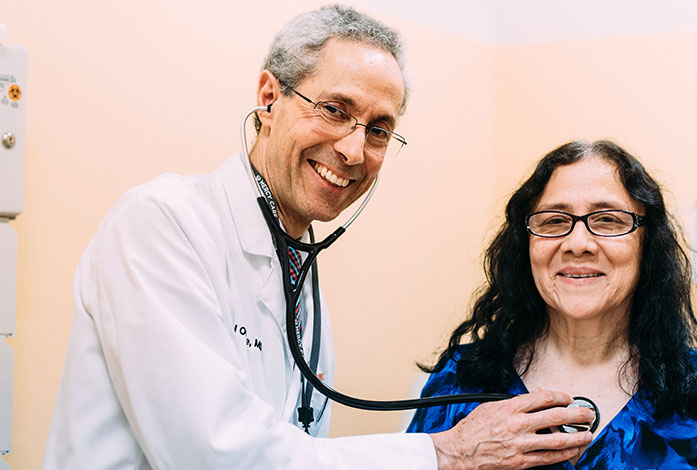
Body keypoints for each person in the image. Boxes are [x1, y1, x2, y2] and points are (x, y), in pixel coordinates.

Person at [42, 5, 595, 470]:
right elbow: (210, 453)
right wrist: (441, 453)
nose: (354, 151)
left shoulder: (298, 275)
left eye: (378, 129)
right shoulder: (161, 224)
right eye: (335, 110)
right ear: (268, 96)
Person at [407, 140, 697, 469]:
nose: (578, 243)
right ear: (525, 245)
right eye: (554, 221)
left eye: (608, 220)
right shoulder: (461, 380)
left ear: (647, 246)